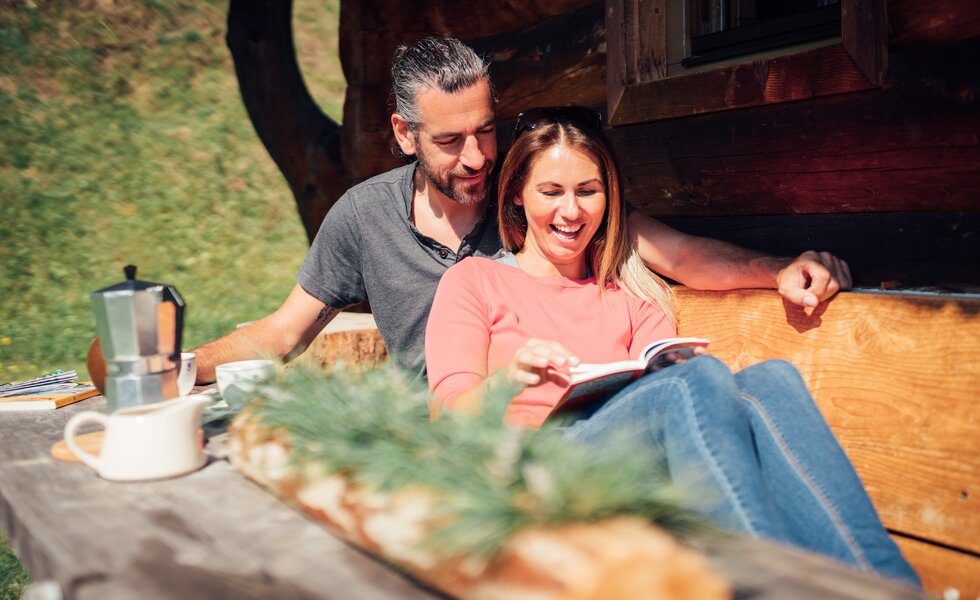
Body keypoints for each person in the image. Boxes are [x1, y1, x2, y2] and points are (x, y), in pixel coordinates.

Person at [423, 108, 919, 586]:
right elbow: (449, 419)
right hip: (532, 467)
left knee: (771, 380)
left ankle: (888, 586)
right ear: (516, 195)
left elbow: (668, 374)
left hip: (627, 462)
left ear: (608, 197)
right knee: (691, 385)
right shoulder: (475, 281)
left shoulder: (629, 295)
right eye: (551, 191)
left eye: (588, 191)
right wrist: (512, 380)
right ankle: (766, 587)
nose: (571, 211)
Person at [193, 36, 851, 382]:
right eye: (449, 142)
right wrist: (182, 368)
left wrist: (776, 268)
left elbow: (674, 253)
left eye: (485, 129)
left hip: (553, 408)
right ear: (403, 135)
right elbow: (283, 333)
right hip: (451, 430)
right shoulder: (362, 217)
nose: (477, 156)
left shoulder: (531, 193)